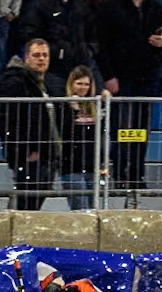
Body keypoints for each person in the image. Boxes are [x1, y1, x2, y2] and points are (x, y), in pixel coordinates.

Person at [95, 0, 162, 191]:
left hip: (147, 78)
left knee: (142, 130)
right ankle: (121, 174)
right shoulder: (110, 8)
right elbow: (101, 45)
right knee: (121, 128)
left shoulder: (154, 7)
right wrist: (109, 76)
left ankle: (137, 174)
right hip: (122, 77)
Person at [0, 38, 65, 210]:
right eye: (36, 55)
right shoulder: (14, 82)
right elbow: (4, 120)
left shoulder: (52, 84)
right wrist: (26, 150)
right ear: (27, 57)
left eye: (45, 55)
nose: (41, 59)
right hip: (29, 155)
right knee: (26, 202)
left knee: (37, 200)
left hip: (50, 154)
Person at [17, 0, 98, 84]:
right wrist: (54, 52)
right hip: (53, 70)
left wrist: (88, 52)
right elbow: (30, 34)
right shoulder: (38, 5)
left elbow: (93, 34)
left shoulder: (82, 5)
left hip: (82, 66)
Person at [60, 65, 98, 210]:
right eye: (79, 83)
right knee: (81, 210)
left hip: (91, 166)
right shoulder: (64, 106)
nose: (83, 88)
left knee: (93, 210)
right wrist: (74, 110)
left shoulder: (93, 106)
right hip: (71, 166)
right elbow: (65, 133)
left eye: (86, 84)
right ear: (71, 84)